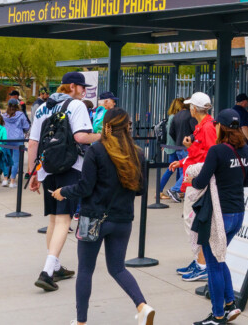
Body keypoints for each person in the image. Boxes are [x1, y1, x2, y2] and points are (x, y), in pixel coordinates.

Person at [50, 107, 155, 325]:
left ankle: (81, 322)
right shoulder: (138, 153)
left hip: (93, 219)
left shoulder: (96, 151)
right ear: (127, 127)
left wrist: (63, 192)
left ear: (107, 127)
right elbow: (140, 190)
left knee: (85, 270)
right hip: (122, 220)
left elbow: (85, 188)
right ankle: (142, 306)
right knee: (117, 268)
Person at [27, 72, 102, 292]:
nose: (84, 91)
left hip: (48, 168)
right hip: (71, 167)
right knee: (63, 220)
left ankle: (56, 266)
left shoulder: (42, 107)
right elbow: (80, 137)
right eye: (81, 87)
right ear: (72, 86)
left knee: (53, 220)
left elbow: (33, 143)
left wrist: (33, 173)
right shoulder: (76, 106)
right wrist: (101, 136)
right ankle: (47, 272)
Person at [189, 109, 248, 325]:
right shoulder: (246, 151)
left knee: (214, 263)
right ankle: (229, 304)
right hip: (238, 214)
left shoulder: (217, 151)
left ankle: (217, 316)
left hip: (219, 215)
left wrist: (192, 179)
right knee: (220, 256)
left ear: (220, 127)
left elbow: (200, 182)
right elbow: (246, 183)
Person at [169, 91, 216, 282]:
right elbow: (203, 152)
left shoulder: (206, 128)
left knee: (194, 221)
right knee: (192, 221)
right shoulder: (202, 126)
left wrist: (197, 177)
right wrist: (183, 162)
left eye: (190, 106)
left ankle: (202, 264)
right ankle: (199, 260)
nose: (189, 109)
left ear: (195, 108)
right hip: (194, 177)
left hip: (197, 180)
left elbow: (210, 156)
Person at [165, 97, 196, 202]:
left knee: (182, 169)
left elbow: (171, 132)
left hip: (178, 146)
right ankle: (175, 189)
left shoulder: (176, 116)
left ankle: (180, 191)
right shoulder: (191, 116)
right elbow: (195, 132)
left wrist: (178, 140)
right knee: (187, 170)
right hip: (187, 147)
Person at [159, 97, 186, 200]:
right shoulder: (175, 117)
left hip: (172, 146)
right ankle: (160, 191)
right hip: (174, 146)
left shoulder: (172, 116)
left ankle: (178, 191)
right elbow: (172, 133)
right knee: (171, 169)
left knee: (177, 169)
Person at [3, 98, 31, 187]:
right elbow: (26, 127)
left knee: (7, 160)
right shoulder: (21, 115)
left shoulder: (4, 115)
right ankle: (12, 181)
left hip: (6, 139)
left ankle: (5, 179)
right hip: (18, 139)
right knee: (16, 161)